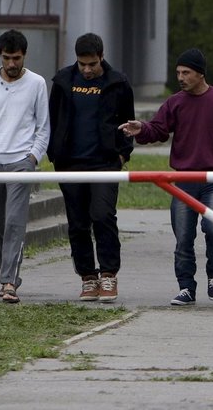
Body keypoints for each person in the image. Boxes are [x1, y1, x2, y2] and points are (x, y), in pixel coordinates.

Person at [119, 48, 213, 306]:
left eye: (186, 72)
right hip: (183, 180)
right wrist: (141, 128)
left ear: (200, 74)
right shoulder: (175, 102)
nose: (180, 77)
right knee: (183, 237)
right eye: (178, 72)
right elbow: (158, 128)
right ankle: (186, 287)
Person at [48, 33, 135, 303]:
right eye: (82, 64)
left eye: (93, 64)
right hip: (69, 164)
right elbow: (52, 119)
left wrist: (122, 155)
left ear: (102, 57)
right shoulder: (62, 82)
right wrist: (55, 155)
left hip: (105, 164)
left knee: (102, 215)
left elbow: (128, 124)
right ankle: (88, 277)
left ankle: (108, 273)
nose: (87, 70)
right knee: (77, 223)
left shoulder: (118, 83)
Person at [0, 29, 50, 304]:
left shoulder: (37, 83)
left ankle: (9, 282)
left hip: (21, 163)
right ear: (0, 56)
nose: (12, 64)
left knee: (15, 222)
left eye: (16, 58)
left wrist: (33, 158)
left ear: (24, 56)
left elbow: (43, 126)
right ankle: (7, 272)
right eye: (7, 58)